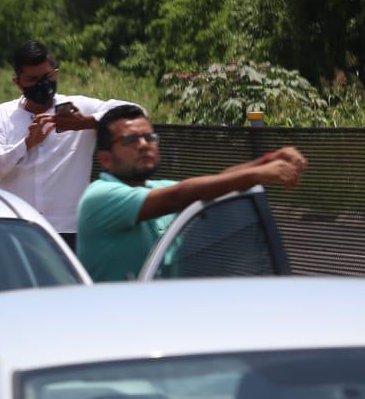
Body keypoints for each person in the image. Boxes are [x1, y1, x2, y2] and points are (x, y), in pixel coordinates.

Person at [76, 104, 307, 282]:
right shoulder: (100, 196)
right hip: (114, 328)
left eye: (150, 137)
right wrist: (258, 175)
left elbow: (216, 182)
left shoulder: (153, 189)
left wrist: (269, 160)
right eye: (130, 139)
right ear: (105, 159)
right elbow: (181, 195)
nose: (144, 144)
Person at [0, 41, 132, 249]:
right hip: (17, 227)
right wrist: (26, 144)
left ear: (56, 73)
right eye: (32, 80)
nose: (42, 84)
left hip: (69, 231)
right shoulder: (3, 115)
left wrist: (88, 122)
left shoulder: (78, 108)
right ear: (18, 82)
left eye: (47, 77)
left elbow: (136, 113)